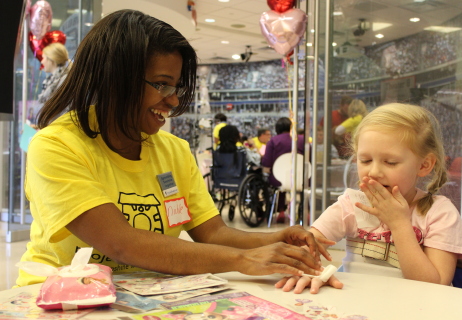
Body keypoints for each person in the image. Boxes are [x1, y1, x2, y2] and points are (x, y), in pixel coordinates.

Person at [16, 9, 334, 287]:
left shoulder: (174, 151)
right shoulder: (56, 146)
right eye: (162, 84)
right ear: (116, 79)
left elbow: (212, 233)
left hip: (147, 298)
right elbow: (122, 243)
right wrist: (243, 259)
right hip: (61, 300)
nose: (173, 100)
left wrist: (273, 239)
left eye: (177, 87)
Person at [276, 103, 462, 294]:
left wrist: (399, 223)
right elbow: (311, 243)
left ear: (424, 165)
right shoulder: (352, 204)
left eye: (390, 162)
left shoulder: (440, 213)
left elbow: (436, 286)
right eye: (365, 160)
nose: (374, 172)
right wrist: (307, 270)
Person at [262, 117, 305, 223]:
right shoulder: (302, 139)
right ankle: (306, 211)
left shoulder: (273, 141)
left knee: (279, 180)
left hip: (278, 179)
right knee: (303, 186)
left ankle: (281, 211)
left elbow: (267, 163)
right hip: (302, 179)